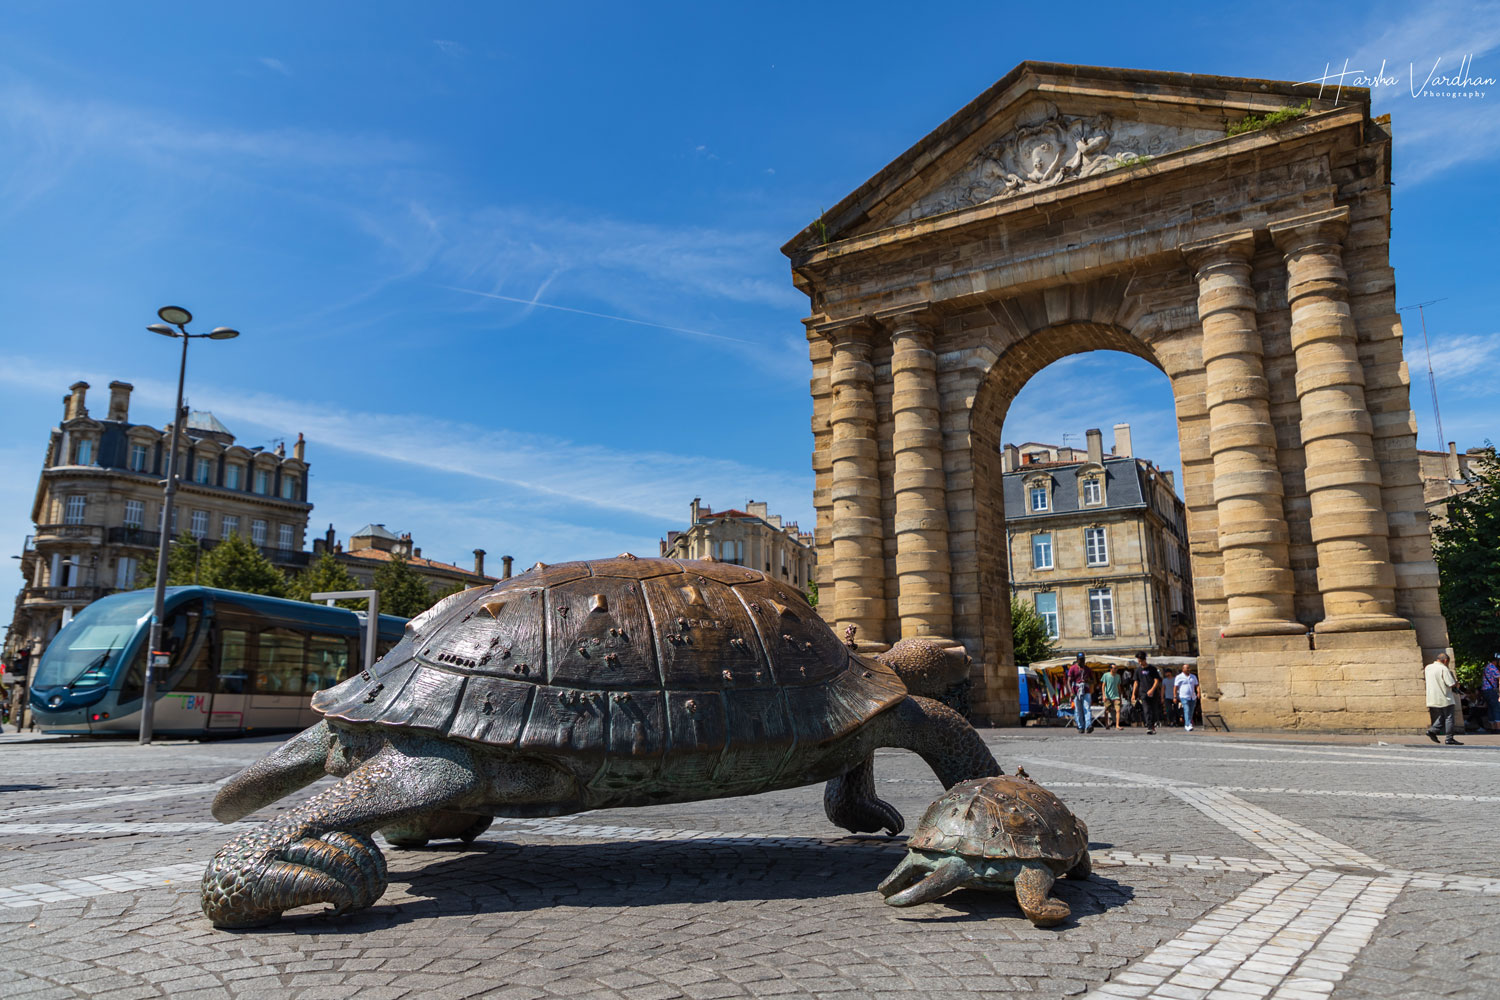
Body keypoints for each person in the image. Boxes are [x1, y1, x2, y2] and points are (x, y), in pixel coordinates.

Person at [1424, 652, 1461, 745]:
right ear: (1445, 660)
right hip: (1444, 697)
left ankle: (1432, 730)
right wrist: (1457, 684)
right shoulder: (1443, 668)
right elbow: (1450, 683)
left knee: (1442, 715)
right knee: (1449, 717)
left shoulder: (1428, 667)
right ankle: (1449, 738)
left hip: (1432, 696)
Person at [1132, 652, 1163, 735]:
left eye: (1140, 661)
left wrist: (1152, 690)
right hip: (1143, 693)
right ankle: (1149, 727)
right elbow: (1136, 682)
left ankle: (1153, 725)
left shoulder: (1152, 669)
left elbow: (1156, 680)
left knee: (1154, 710)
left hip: (1153, 693)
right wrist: (1133, 694)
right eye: (1138, 661)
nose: (1139, 663)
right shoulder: (1138, 670)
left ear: (1144, 660)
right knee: (1146, 710)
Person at [1065, 653, 1094, 734]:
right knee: (1078, 710)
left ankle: (1088, 726)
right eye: (1080, 659)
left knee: (1087, 708)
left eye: (1083, 659)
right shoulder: (1073, 668)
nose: (1082, 661)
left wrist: (1088, 681)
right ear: (1077, 660)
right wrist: (1071, 692)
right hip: (1076, 691)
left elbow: (1093, 680)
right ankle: (1081, 727)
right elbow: (1069, 681)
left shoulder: (1087, 669)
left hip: (1086, 690)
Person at [1173, 665, 1200, 732]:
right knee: (1186, 710)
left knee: (1191, 711)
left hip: (1192, 696)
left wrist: (1199, 692)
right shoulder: (1179, 677)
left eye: (1189, 668)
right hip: (1184, 696)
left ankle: (1189, 723)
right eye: (1187, 668)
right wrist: (1175, 696)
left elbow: (1197, 685)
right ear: (1183, 669)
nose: (1188, 669)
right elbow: (1175, 687)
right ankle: (1187, 725)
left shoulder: (1193, 676)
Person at [1481, 655, 1500, 733]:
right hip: (1491, 690)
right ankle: (1498, 728)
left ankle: (1493, 728)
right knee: (1496, 708)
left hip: (1485, 690)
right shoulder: (1493, 668)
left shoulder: (1486, 667)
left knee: (1490, 709)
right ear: (1496, 661)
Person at [1101, 664, 1123, 730]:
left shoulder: (1118, 676)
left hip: (1116, 696)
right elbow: (1103, 686)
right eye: (1115, 668)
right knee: (1107, 711)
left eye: (1116, 668)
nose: (1116, 669)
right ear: (1111, 669)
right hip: (1107, 696)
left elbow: (1119, 687)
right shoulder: (1106, 675)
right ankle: (1107, 724)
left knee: (1118, 710)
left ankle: (1117, 725)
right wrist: (1104, 695)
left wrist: (1120, 696)